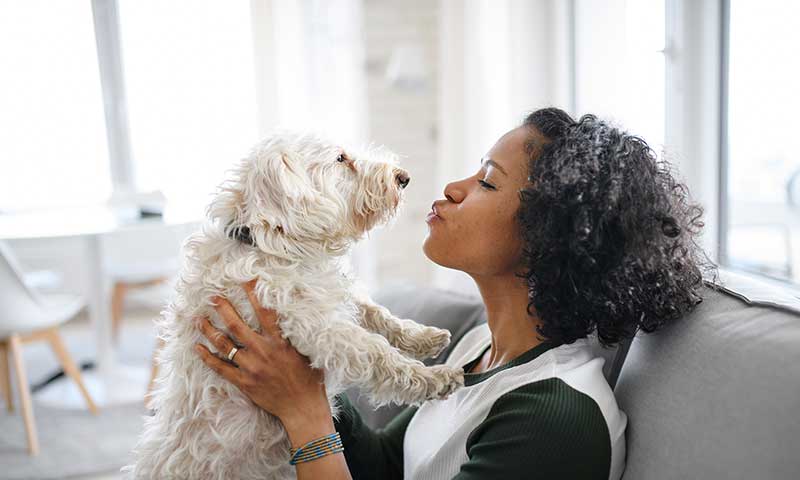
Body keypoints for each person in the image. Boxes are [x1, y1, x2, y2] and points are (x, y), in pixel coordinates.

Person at [195, 107, 714, 479]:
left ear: (549, 233)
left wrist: (305, 414)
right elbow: (382, 466)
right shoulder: (479, 349)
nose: (452, 188)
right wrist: (296, 364)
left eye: (487, 182)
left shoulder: (554, 419)